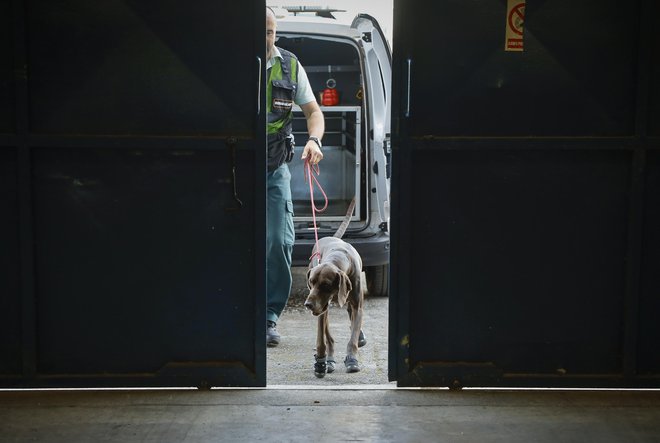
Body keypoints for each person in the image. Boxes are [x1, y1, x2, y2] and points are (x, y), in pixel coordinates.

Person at [265, 6, 324, 347]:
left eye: (270, 32)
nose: (266, 39)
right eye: (259, 32)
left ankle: (269, 317)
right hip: (232, 166)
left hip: (274, 168)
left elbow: (313, 112)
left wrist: (314, 140)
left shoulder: (289, 65)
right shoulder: (227, 62)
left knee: (278, 242)